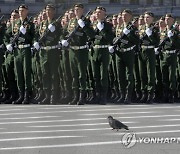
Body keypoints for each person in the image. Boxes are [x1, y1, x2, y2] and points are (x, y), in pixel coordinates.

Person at [61, 3, 95, 105]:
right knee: (74, 75)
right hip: (72, 50)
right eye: (75, 9)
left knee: (81, 75)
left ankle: (82, 97)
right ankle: (75, 96)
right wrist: (63, 40)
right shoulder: (71, 21)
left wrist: (84, 27)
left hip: (81, 51)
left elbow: (92, 35)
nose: (76, 11)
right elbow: (63, 33)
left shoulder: (86, 21)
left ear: (82, 10)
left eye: (78, 9)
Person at [33, 4, 62, 105]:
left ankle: (54, 96)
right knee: (45, 74)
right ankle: (47, 95)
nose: (48, 12)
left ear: (54, 12)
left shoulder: (57, 23)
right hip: (43, 52)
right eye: (46, 10)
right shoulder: (42, 24)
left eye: (50, 10)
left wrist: (54, 32)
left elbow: (60, 36)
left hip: (53, 51)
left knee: (54, 74)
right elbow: (36, 35)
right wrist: (35, 42)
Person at [6, 4, 35, 104]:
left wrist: (25, 34)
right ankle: (21, 95)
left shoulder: (30, 24)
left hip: (25, 50)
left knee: (26, 72)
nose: (21, 12)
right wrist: (8, 44)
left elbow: (32, 39)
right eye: (20, 10)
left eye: (23, 10)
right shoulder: (15, 23)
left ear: (27, 11)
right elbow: (7, 35)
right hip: (17, 50)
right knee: (18, 73)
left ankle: (27, 95)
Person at [109, 9, 139, 104]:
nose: (123, 17)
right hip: (119, 53)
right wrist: (113, 44)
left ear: (130, 16)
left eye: (126, 15)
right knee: (120, 76)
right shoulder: (119, 27)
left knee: (129, 75)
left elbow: (136, 41)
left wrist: (128, 34)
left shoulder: (133, 28)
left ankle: (128, 96)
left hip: (128, 52)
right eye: (122, 15)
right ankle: (122, 95)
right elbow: (114, 38)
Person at [92, 6, 114, 104]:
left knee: (103, 75)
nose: (97, 14)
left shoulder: (108, 26)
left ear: (104, 15)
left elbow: (110, 38)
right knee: (95, 75)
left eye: (100, 12)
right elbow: (91, 37)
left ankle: (103, 96)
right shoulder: (93, 25)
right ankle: (97, 95)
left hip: (104, 50)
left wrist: (102, 30)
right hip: (94, 51)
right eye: (96, 12)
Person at [139, 11, 159, 103]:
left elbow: (155, 42)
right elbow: (140, 40)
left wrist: (150, 35)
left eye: (148, 17)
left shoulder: (155, 29)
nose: (145, 19)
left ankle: (150, 94)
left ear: (152, 19)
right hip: (142, 51)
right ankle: (144, 93)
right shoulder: (141, 28)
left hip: (150, 51)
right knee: (142, 74)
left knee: (150, 74)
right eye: (145, 17)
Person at [160, 14, 179, 103]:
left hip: (172, 55)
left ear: (172, 20)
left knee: (172, 77)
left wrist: (172, 37)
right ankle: (166, 94)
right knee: (164, 76)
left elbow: (178, 44)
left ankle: (172, 95)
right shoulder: (163, 30)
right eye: (166, 19)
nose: (167, 20)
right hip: (164, 55)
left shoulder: (175, 31)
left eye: (169, 19)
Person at [3, 9, 19, 104]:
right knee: (9, 75)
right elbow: (5, 37)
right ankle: (11, 94)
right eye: (12, 16)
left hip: (18, 53)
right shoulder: (9, 28)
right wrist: (7, 44)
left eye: (15, 16)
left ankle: (18, 94)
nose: (13, 18)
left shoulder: (21, 26)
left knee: (17, 75)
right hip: (9, 54)